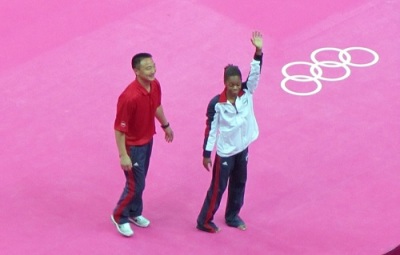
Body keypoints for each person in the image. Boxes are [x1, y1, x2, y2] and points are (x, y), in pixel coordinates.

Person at [196, 31, 263, 233]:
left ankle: (232, 215)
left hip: (242, 148)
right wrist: (207, 154)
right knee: (218, 187)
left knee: (240, 183)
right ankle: (204, 220)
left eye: (237, 84)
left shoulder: (247, 92)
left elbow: (256, 73)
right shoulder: (217, 104)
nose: (235, 88)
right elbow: (211, 130)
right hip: (225, 152)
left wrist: (258, 51)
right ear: (225, 83)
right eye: (231, 85)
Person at [111, 53, 174, 237]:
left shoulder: (155, 85)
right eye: (147, 68)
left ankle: (134, 212)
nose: (152, 70)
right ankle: (119, 215)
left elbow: (156, 106)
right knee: (135, 185)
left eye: (153, 65)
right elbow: (119, 129)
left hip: (148, 140)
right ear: (136, 71)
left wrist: (166, 125)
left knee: (140, 182)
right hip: (133, 147)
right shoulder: (128, 97)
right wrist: (123, 154)